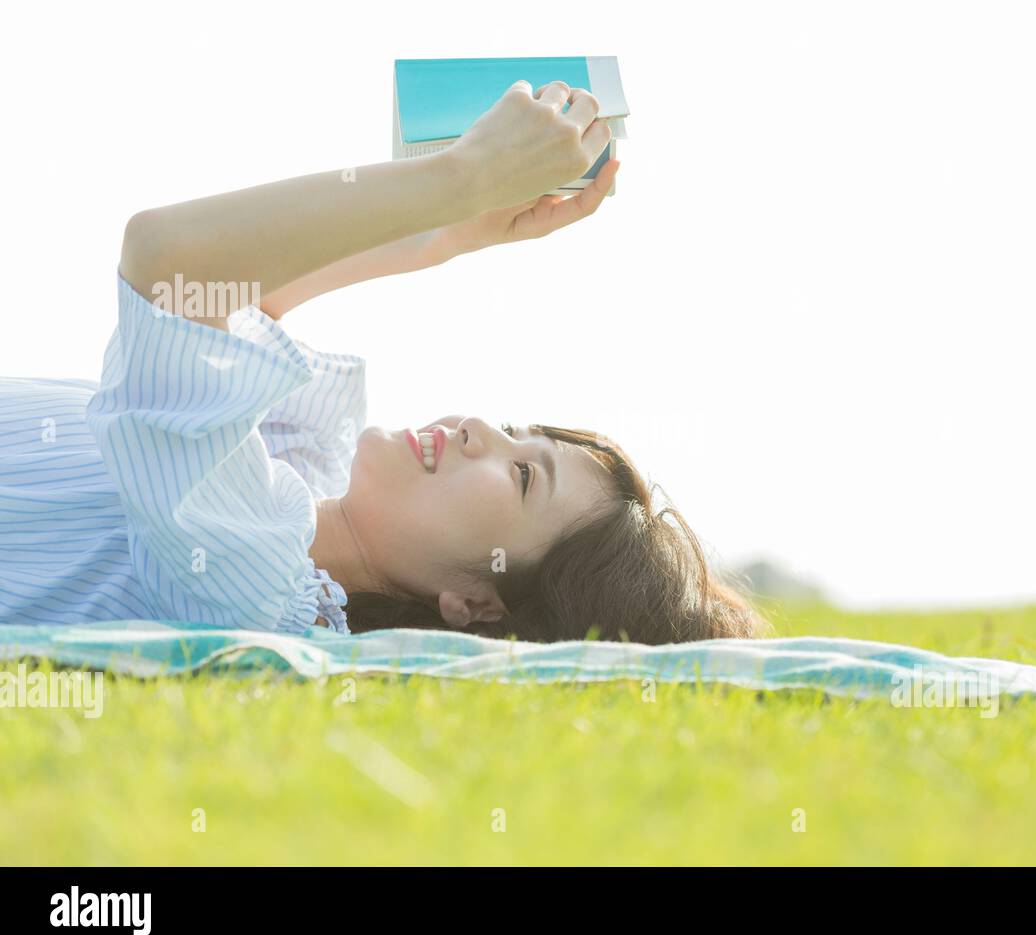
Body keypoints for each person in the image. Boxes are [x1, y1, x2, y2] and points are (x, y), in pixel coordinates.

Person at [0, 80, 764, 644]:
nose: (476, 430)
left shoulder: (254, 583)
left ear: (477, 606)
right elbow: (238, 305)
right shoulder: (308, 480)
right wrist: (449, 234)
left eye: (524, 475)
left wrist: (456, 180)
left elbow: (171, 267)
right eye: (513, 430)